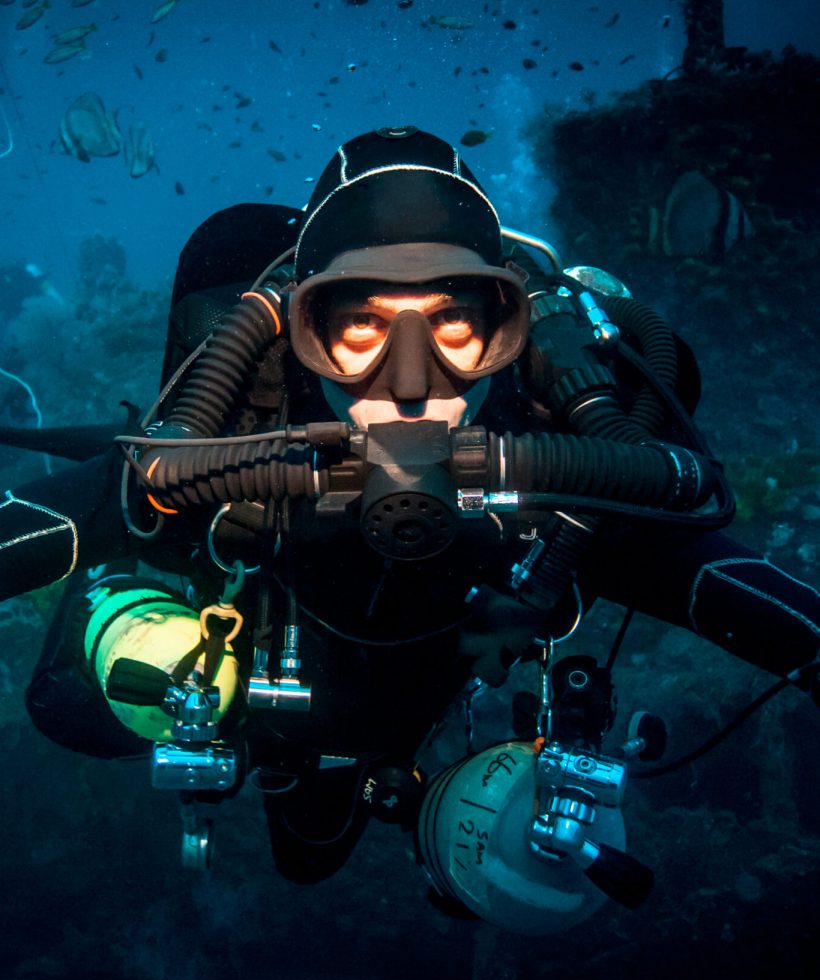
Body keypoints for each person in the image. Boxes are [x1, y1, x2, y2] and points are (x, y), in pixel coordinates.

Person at [2, 127, 818, 905]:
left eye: (454, 323)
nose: (411, 382)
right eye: (361, 325)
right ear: (301, 331)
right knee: (254, 823)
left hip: (409, 712)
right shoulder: (238, 433)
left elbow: (725, 582)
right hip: (254, 690)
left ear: (507, 328)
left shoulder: (559, 462)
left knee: (316, 859)